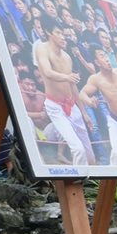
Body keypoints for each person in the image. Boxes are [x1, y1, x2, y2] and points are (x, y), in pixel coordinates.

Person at [35, 16, 95, 165]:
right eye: (59, 33)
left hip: (72, 105)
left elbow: (73, 86)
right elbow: (47, 72)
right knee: (78, 149)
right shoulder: (42, 49)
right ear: (49, 32)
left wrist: (84, 113)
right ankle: (79, 180)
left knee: (89, 151)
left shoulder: (67, 57)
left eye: (63, 34)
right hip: (55, 106)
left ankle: (93, 181)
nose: (63, 37)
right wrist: (67, 77)